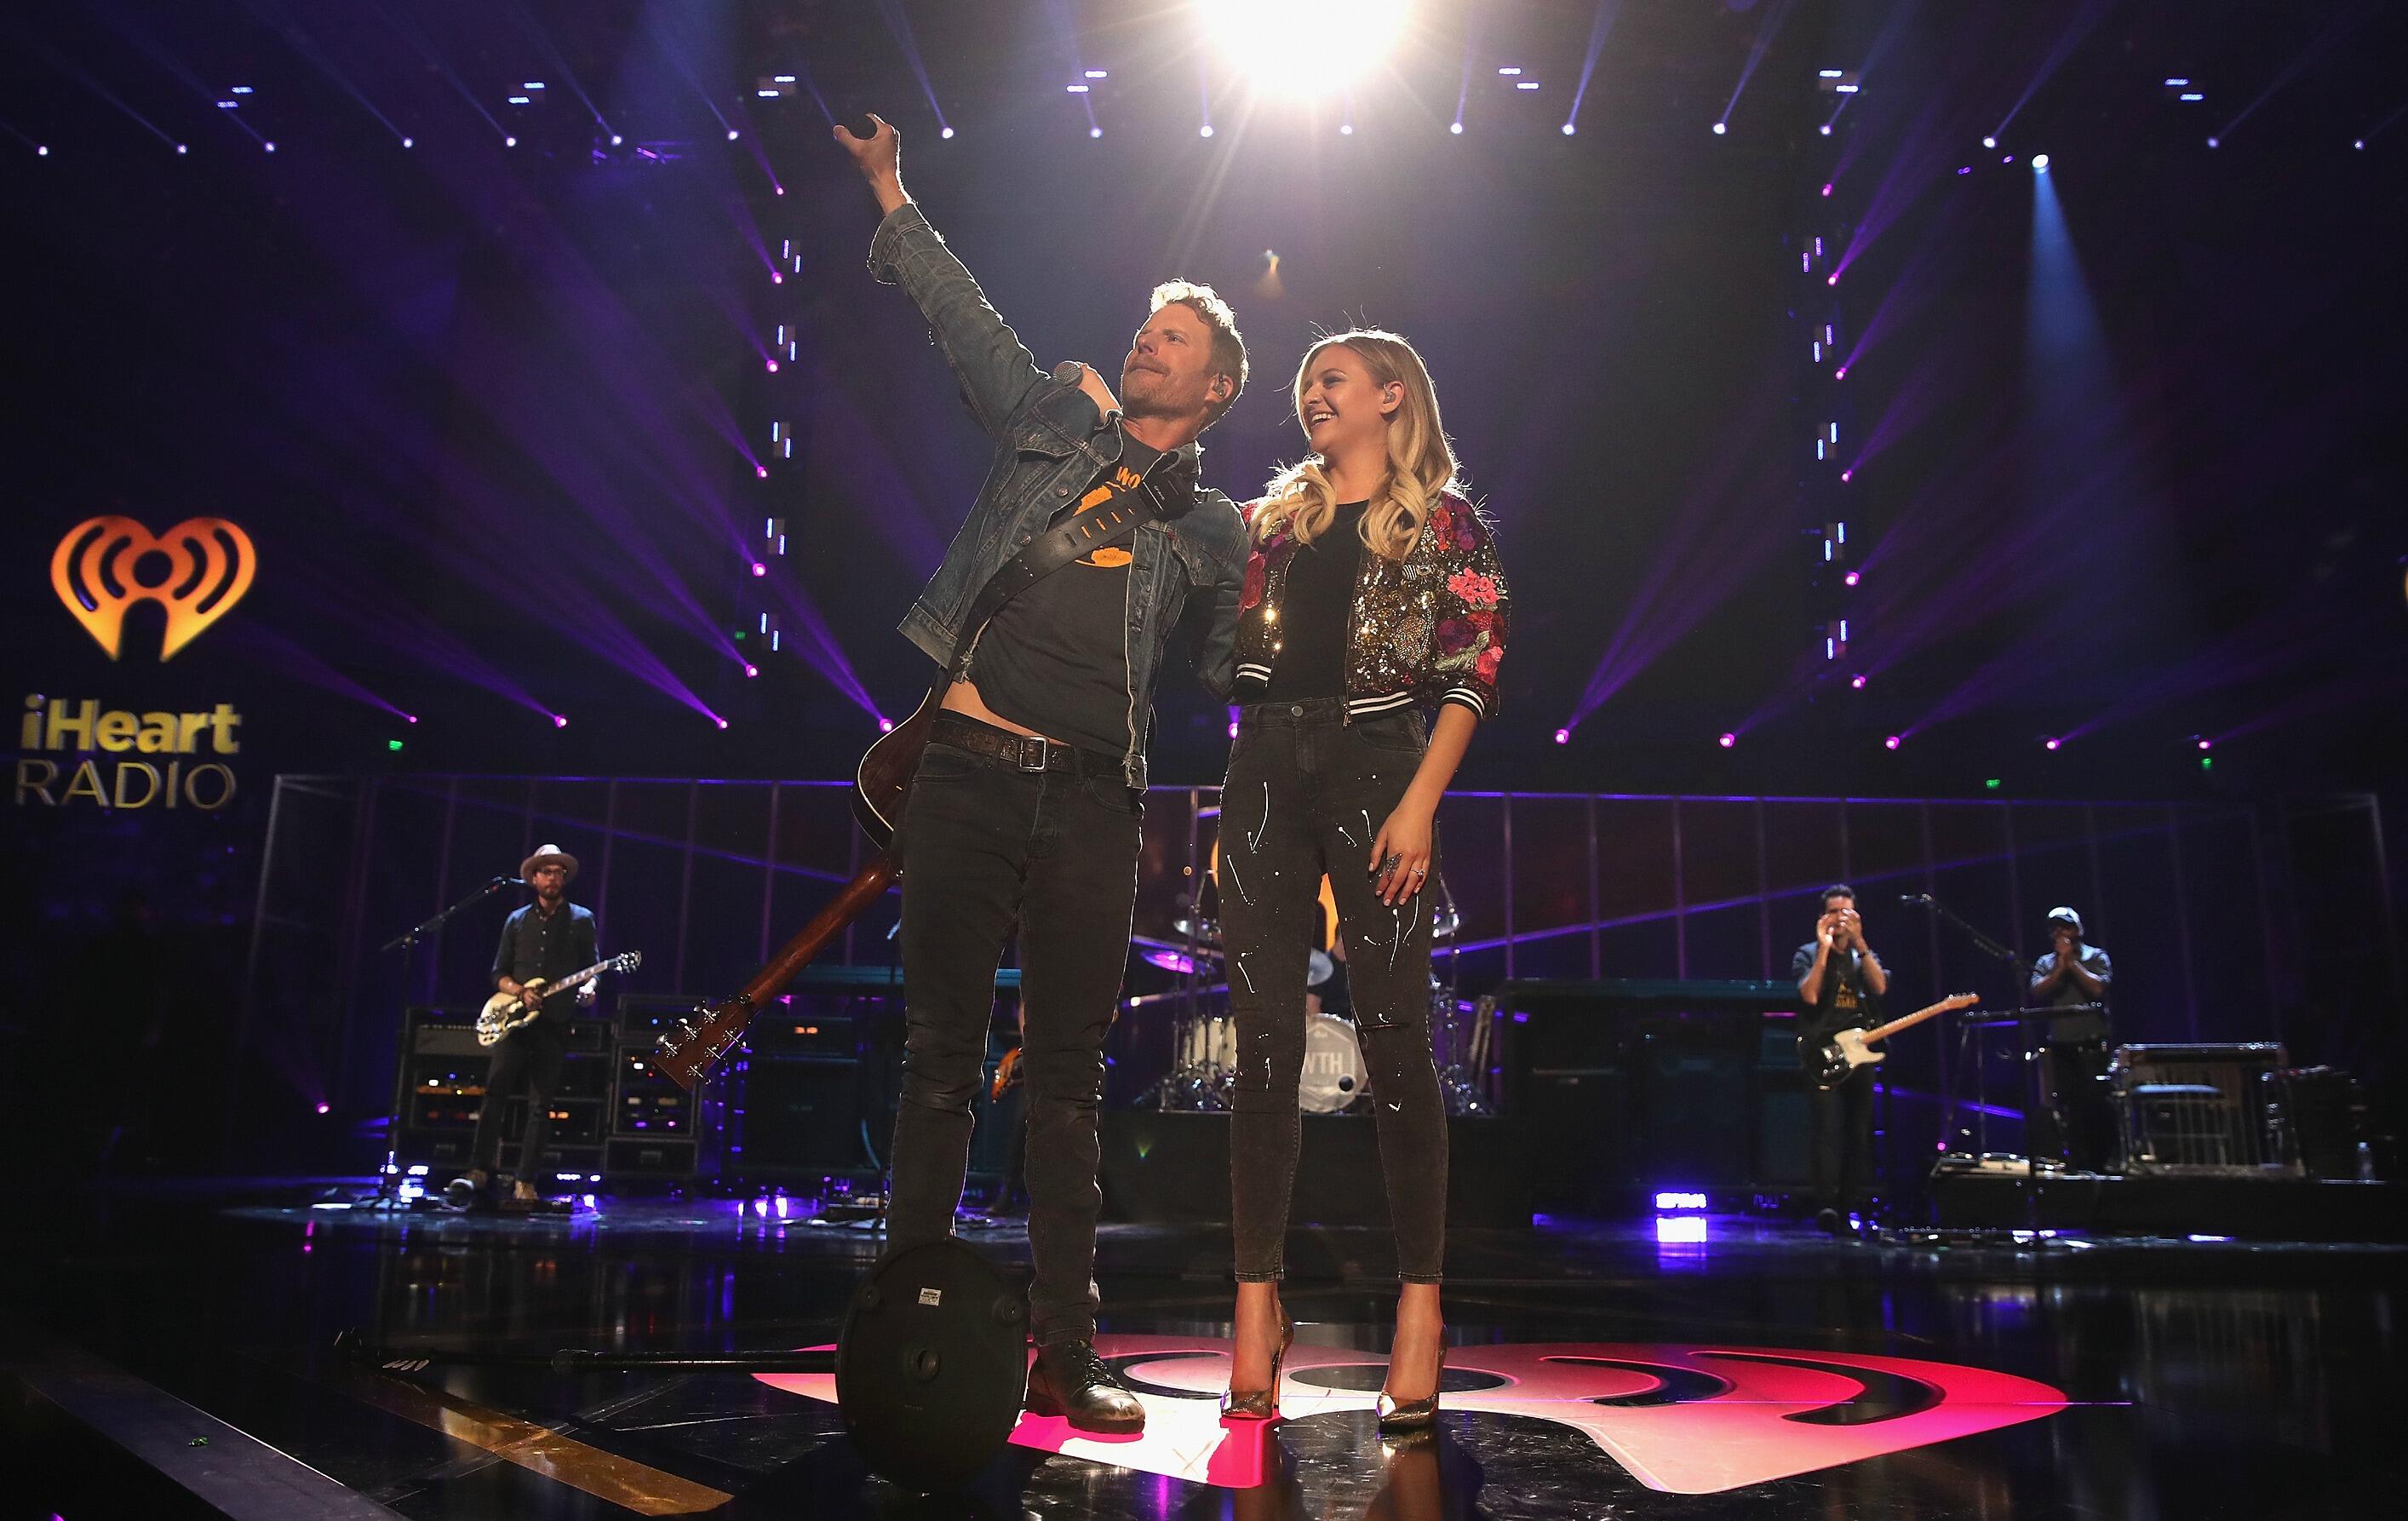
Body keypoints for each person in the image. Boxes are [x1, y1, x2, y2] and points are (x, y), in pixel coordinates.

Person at [834, 114, 1253, 1434]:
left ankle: (1069, 1350)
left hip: (1091, 799)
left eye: (1175, 339)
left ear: (1219, 387)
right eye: (1145, 329)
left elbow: (1232, 671)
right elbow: (964, 317)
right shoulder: (1048, 419)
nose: (1146, 345)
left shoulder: (1211, 523)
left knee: (1066, 1083)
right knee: (941, 1061)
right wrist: (895, 191)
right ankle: (905, 1325)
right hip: (963, 766)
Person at [1213, 330, 1510, 1431]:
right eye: (1304, 384)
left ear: (1393, 396)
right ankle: (1254, 1303)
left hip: (1384, 761)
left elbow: (1476, 663)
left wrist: (1421, 802)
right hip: (1262, 768)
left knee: (1393, 1035)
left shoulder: (1442, 523)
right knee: (1263, 1043)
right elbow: (1226, 649)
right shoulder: (1270, 522)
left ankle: (1421, 1304)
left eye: (1330, 378)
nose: (1310, 395)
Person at [463, 846, 596, 1204]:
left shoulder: (582, 919)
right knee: (495, 1095)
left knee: (541, 1104)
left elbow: (592, 969)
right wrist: (519, 992)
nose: (552, 878)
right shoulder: (516, 920)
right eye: (546, 872)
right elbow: (498, 972)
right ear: (533, 878)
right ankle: (479, 1169)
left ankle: (526, 1180)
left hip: (554, 1022)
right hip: (513, 1021)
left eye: (558, 872)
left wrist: (588, 990)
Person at [1792, 884, 1889, 1234]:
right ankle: (1827, 1206)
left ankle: (1850, 1204)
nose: (1841, 919)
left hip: (1860, 1055)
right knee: (1826, 1131)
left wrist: (1860, 944)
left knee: (1858, 1132)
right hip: (1822, 1052)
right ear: (1823, 917)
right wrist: (1824, 950)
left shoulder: (1863, 957)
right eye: (1834, 912)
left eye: (1847, 912)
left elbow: (1880, 988)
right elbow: (1810, 994)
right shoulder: (1806, 953)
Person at [2028, 905, 2115, 1171]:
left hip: (2091, 1044)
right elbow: (2037, 991)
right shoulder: (2046, 962)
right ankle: (2075, 1163)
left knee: (2095, 1104)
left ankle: (2101, 1162)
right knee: (2068, 1106)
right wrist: (2059, 968)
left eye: (2064, 926)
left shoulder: (2096, 956)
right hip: (2061, 1046)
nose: (2059, 932)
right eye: (2054, 927)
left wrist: (2072, 964)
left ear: (2077, 930)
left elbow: (2098, 987)